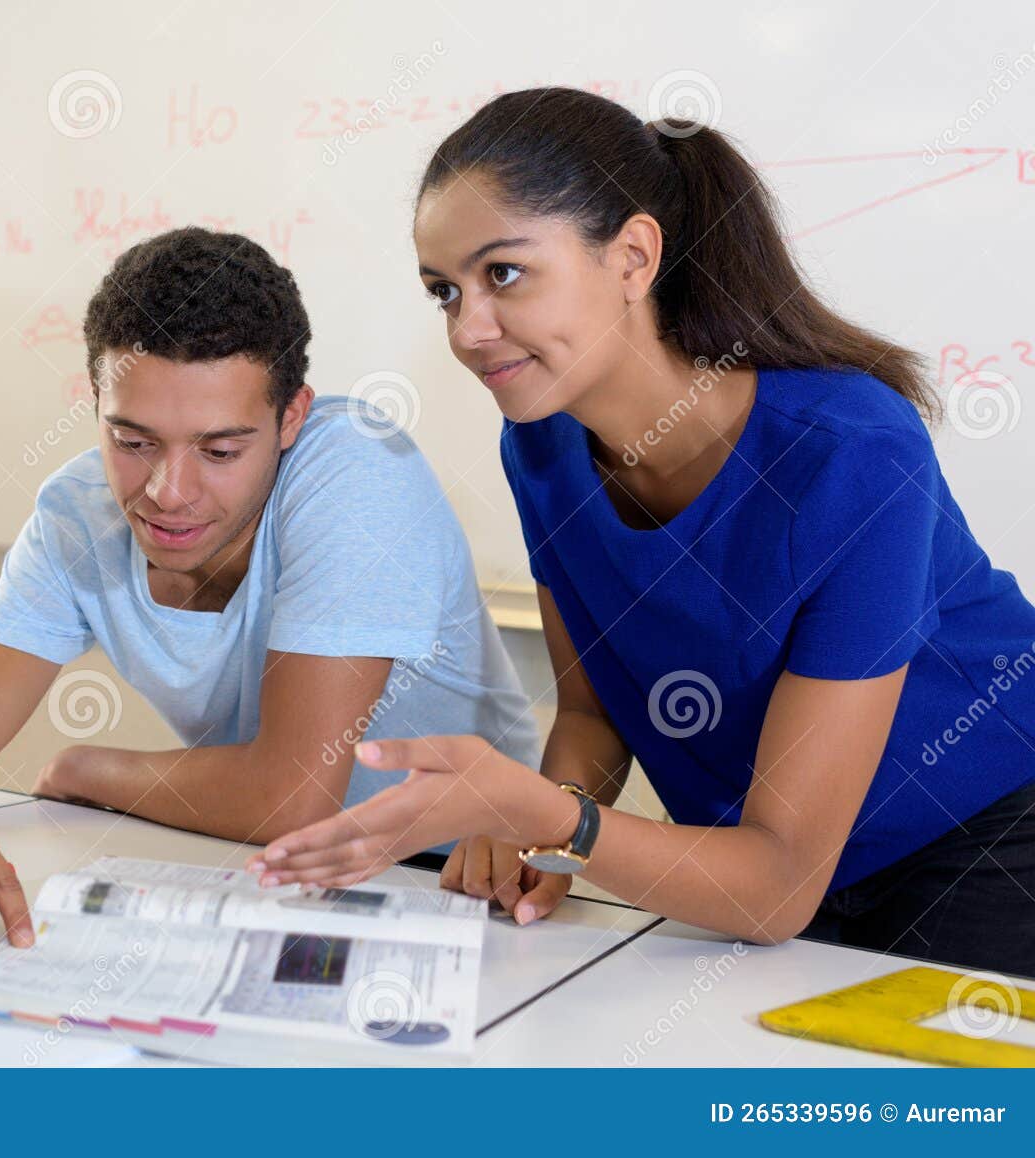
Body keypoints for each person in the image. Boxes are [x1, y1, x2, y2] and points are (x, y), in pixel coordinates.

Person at [247, 86, 1035, 977]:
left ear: (633, 256)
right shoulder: (541, 446)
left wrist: (554, 820)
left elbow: (776, 888)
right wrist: (542, 828)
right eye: (444, 292)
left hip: (986, 840)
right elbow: (592, 711)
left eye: (503, 274)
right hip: (762, 881)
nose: (469, 330)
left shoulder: (852, 452)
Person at [0, 227, 542, 947]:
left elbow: (292, 798)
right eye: (133, 441)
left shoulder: (356, 468)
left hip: (468, 881)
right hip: (267, 870)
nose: (167, 492)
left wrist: (88, 769)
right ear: (96, 402)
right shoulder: (79, 513)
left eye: (219, 450)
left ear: (291, 418)